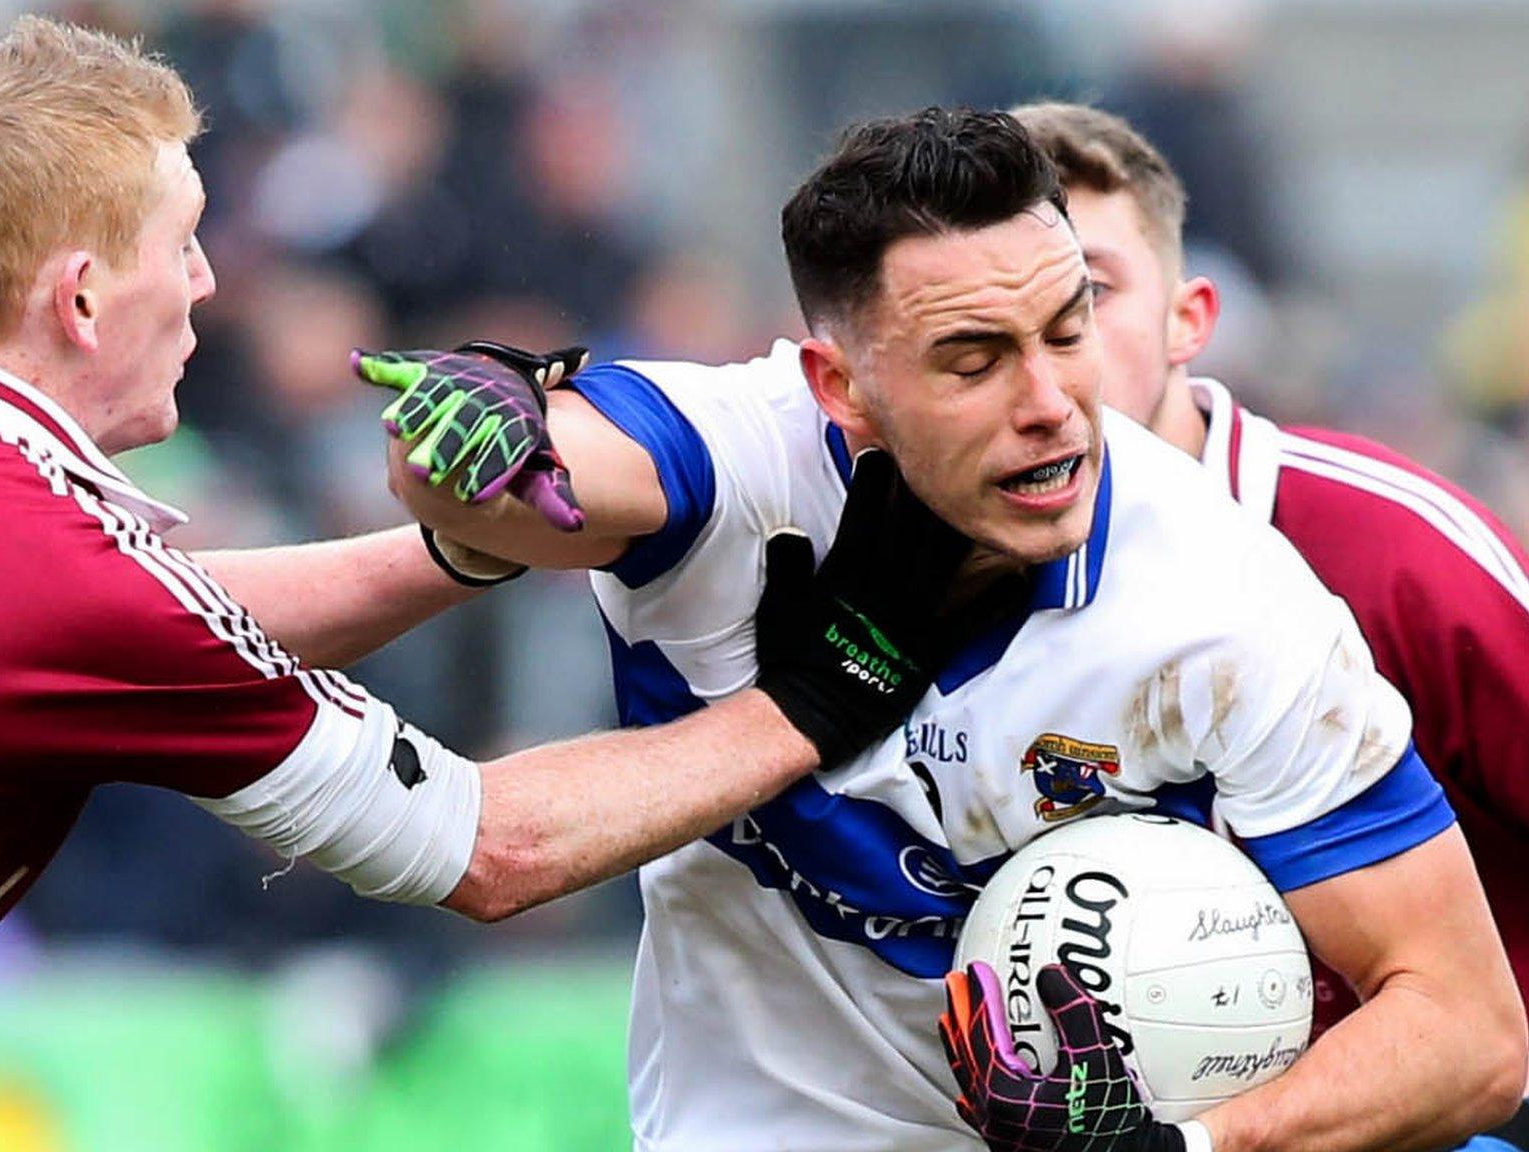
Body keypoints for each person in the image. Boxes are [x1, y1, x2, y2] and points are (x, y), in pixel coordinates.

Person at [0, 22, 1001, 1152]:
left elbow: (137, 614)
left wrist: (467, 547)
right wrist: (828, 683)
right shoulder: (32, 579)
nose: (210, 283)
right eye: (186, 246)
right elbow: (497, 850)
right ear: (81, 295)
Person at [362, 107, 1527, 1151]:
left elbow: (1467, 1031)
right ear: (839, 385)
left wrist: (1191, 1150)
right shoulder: (747, 456)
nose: (1048, 404)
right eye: (972, 361)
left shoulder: (1225, 602)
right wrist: (471, 427)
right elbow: (503, 474)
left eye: (1067, 333)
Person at [1010, 99, 1529, 1148]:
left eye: (1089, 294)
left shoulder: (1394, 552)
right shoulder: (922, 580)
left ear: (1187, 319)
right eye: (1002, 314)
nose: (1052, 348)